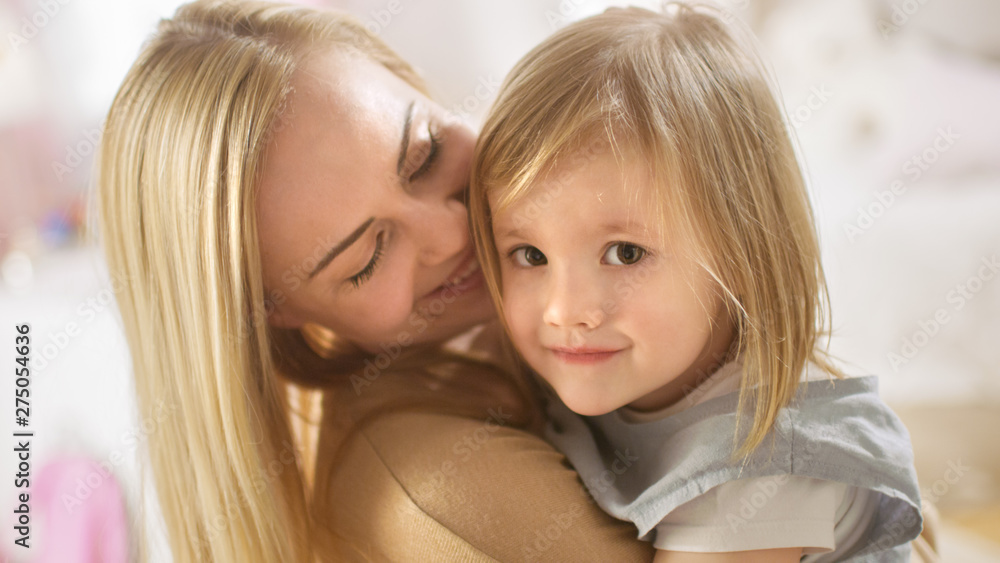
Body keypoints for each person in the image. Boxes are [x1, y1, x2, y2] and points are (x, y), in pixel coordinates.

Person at [95, 0, 656, 561]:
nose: (455, 231)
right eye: (366, 258)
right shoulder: (443, 499)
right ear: (275, 311)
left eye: (425, 155)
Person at [469, 5, 924, 561]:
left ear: (742, 251)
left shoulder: (764, 467)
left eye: (625, 253)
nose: (566, 310)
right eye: (530, 254)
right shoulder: (603, 361)